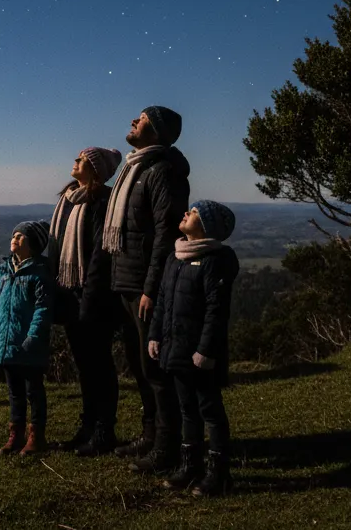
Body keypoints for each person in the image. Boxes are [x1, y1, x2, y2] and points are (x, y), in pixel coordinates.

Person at [102, 105, 190, 473]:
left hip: (143, 284)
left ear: (154, 129)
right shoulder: (135, 168)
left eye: (139, 118)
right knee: (141, 367)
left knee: (155, 369)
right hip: (126, 280)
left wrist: (150, 288)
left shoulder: (162, 171)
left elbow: (164, 235)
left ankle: (167, 448)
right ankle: (151, 434)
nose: (132, 122)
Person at [147, 199, 239, 496]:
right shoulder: (176, 257)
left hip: (200, 353)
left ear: (207, 227)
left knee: (209, 409)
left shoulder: (215, 260)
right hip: (176, 347)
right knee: (187, 408)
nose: (186, 213)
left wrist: (206, 350)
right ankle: (191, 466)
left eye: (195, 213)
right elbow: (162, 302)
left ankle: (219, 472)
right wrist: (155, 336)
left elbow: (216, 310)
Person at [48, 146, 123, 456]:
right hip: (69, 291)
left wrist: (90, 297)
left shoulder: (101, 200)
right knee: (84, 365)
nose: (74, 161)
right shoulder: (68, 199)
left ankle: (104, 430)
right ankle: (88, 426)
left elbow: (99, 253)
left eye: (81, 159)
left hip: (93, 295)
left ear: (94, 169)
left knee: (100, 364)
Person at [0, 219, 53, 456]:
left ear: (33, 244)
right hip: (6, 345)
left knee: (34, 391)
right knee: (15, 393)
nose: (15, 238)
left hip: (29, 347)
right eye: (14, 235)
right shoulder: (3, 271)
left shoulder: (39, 274)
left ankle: (36, 435)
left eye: (21, 236)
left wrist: (33, 337)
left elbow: (43, 309)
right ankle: (16, 433)